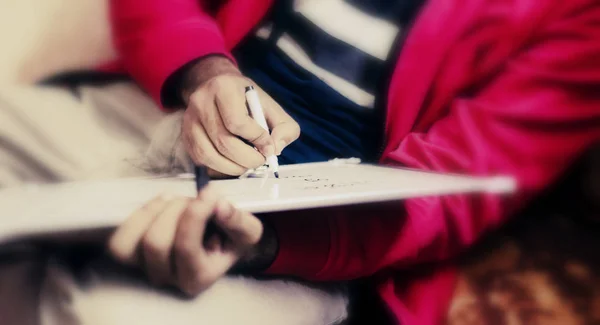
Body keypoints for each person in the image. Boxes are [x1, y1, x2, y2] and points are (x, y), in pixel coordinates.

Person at [0, 0, 599, 324]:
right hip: (155, 112)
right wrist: (206, 71)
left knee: (107, 316)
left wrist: (264, 244)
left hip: (315, 226)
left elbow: (453, 190)